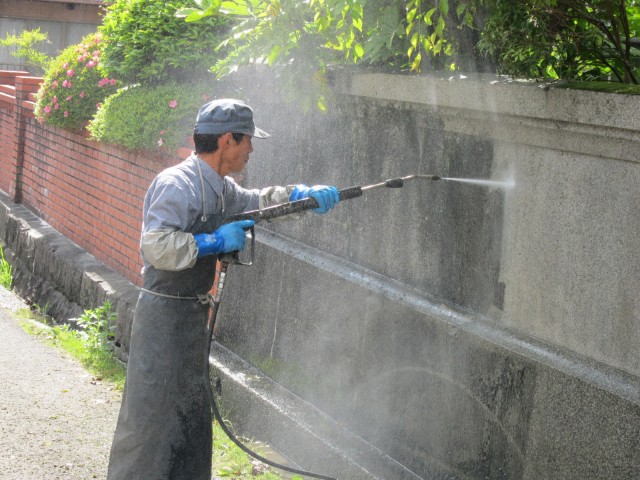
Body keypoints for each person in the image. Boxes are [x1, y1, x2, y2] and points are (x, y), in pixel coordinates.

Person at [107, 98, 339, 480]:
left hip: (192, 319)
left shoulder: (221, 188)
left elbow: (256, 203)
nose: (252, 149)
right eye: (248, 140)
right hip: (162, 321)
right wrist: (213, 241)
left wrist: (300, 197)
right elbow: (156, 245)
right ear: (227, 140)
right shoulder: (176, 184)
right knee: (150, 425)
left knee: (190, 421)